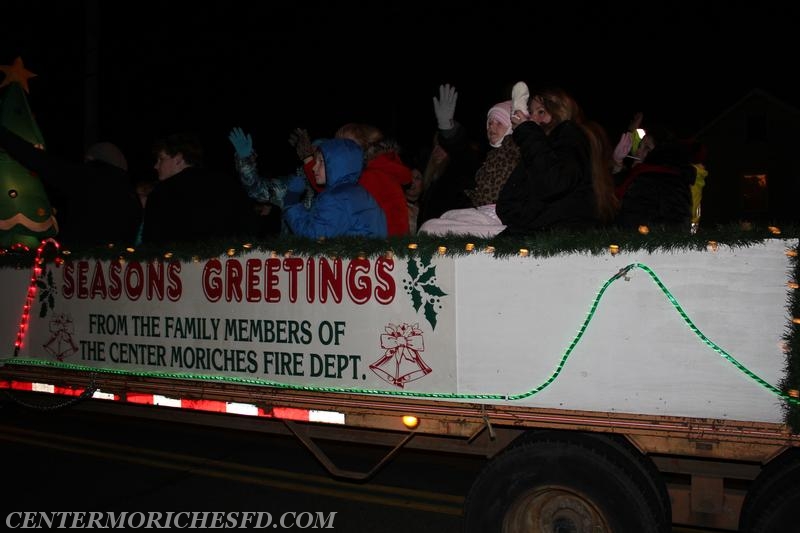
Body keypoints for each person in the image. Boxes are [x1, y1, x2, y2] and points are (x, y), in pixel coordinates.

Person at [495, 87, 619, 235]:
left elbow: (553, 182)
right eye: (531, 113)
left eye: (541, 112)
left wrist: (527, 131)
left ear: (559, 111)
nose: (533, 119)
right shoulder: (547, 143)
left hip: (553, 235)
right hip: (544, 231)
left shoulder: (569, 135)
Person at [0, 125, 142, 246]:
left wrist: (5, 136)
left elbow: (38, 160)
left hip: (79, 263)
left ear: (92, 159)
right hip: (116, 268)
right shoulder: (130, 193)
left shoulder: (86, 176)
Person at [416, 88, 522, 237]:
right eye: (490, 122)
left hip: (500, 216)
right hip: (482, 213)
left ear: (511, 126)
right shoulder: (489, 159)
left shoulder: (520, 152)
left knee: (430, 229)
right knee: (440, 221)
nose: (491, 126)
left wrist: (449, 130)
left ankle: (502, 233)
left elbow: (462, 152)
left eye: (499, 122)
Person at [141, 132, 258, 245]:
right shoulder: (226, 183)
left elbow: (151, 248)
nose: (156, 166)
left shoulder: (161, 194)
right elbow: (248, 230)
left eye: (161, 159)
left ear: (178, 159)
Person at [282, 138, 387, 239]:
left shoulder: (336, 198)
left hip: (350, 256)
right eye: (315, 162)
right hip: (362, 255)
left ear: (337, 164)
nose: (314, 168)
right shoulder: (359, 192)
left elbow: (313, 237)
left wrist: (291, 201)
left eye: (321, 162)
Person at [334, 123, 413, 237]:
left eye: (345, 146)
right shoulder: (379, 170)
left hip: (383, 247)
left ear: (363, 147)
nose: (338, 152)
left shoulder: (371, 176)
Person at [614, 124, 697, 230]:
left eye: (647, 148)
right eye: (640, 146)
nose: (638, 152)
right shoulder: (641, 175)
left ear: (660, 153)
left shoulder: (654, 179)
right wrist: (617, 163)